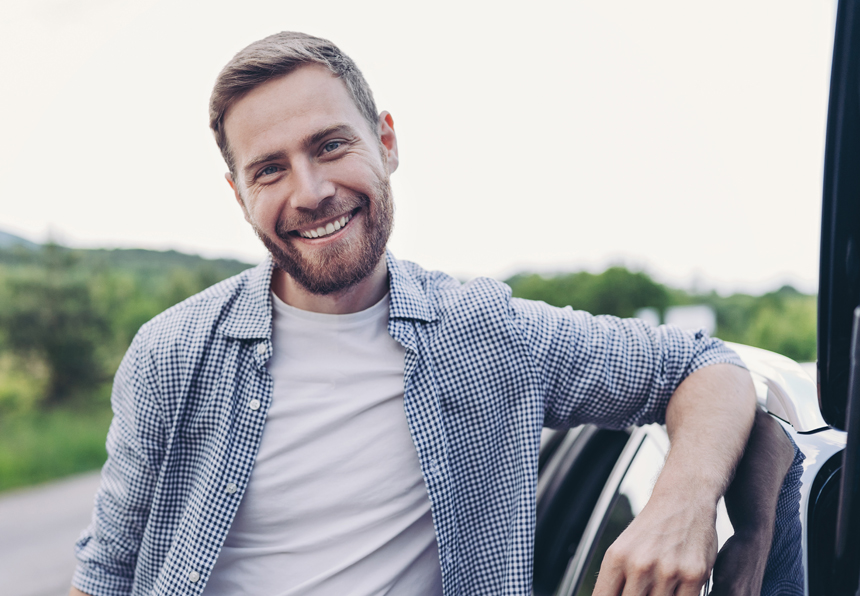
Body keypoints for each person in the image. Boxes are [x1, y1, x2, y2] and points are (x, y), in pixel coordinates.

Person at [69, 32, 791, 596]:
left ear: (385, 141)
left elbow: (707, 367)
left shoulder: (487, 334)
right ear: (238, 194)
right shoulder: (171, 354)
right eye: (271, 169)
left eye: (330, 145)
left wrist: (685, 508)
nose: (312, 190)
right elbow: (107, 572)